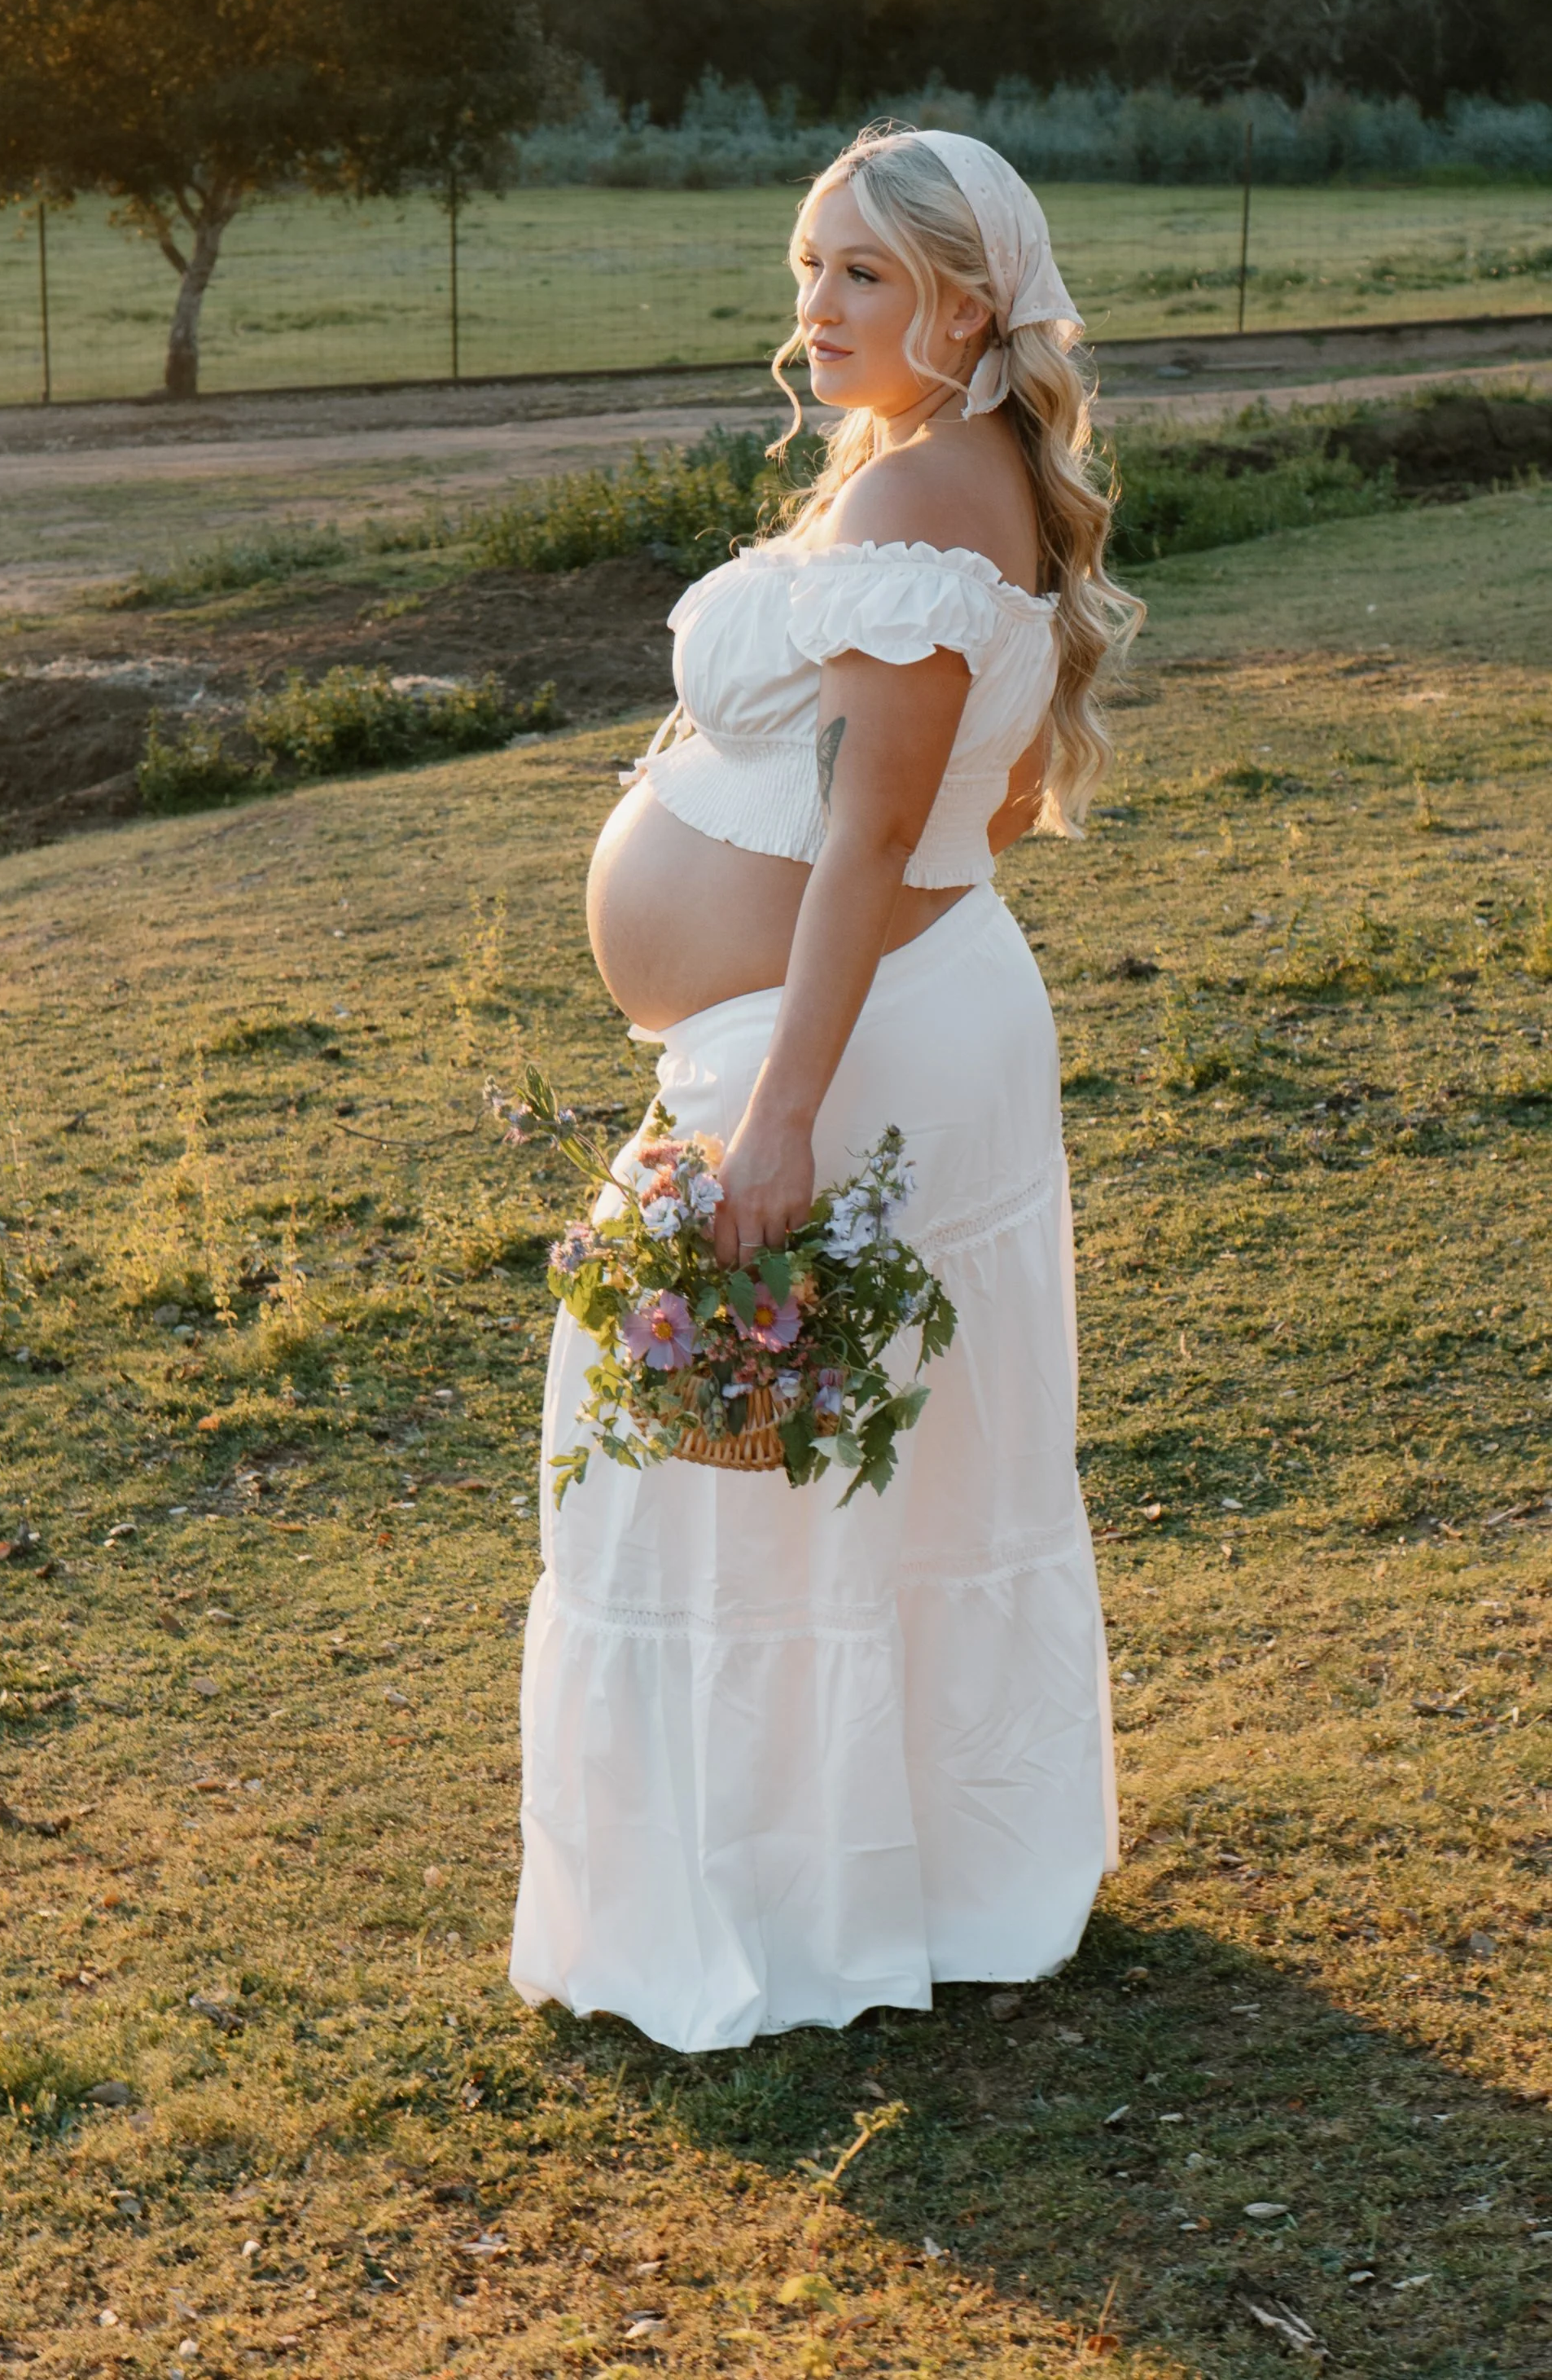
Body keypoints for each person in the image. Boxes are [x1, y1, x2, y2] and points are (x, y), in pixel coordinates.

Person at [510, 125, 1142, 2054]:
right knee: (833, 1474)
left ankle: (787, 1910)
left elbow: (875, 841)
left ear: (970, 295)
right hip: (855, 1017)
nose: (817, 307)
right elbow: (989, 796)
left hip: (831, 1044)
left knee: (738, 1469)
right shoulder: (949, 478)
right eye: (810, 267)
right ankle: (886, 1879)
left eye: (863, 273)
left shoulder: (923, 504)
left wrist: (780, 1113)